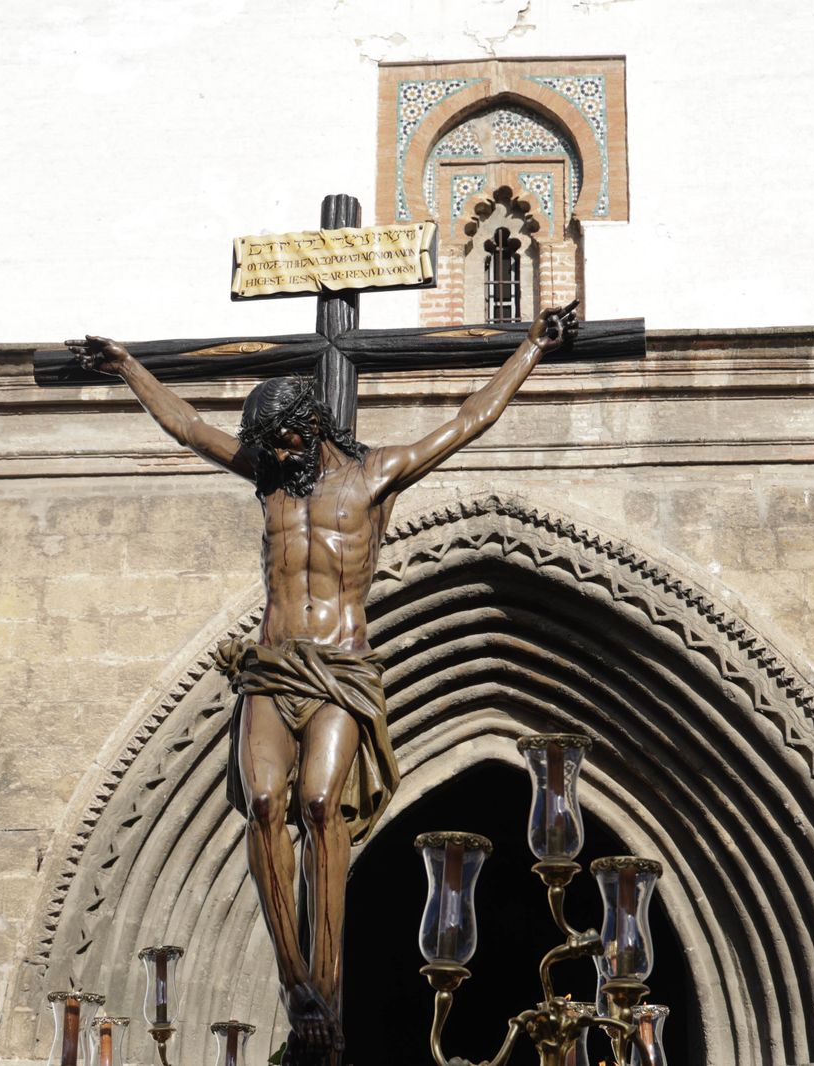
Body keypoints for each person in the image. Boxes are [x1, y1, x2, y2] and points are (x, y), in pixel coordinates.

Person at [69, 300, 578, 1061]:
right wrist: (129, 367)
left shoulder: (374, 478)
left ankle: (330, 990)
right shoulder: (268, 479)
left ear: (310, 425)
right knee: (265, 803)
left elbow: (470, 420)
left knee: (317, 804)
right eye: (264, 447)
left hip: (341, 669)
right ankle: (296, 979)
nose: (271, 456)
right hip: (272, 667)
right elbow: (188, 428)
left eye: (280, 441)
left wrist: (532, 347)